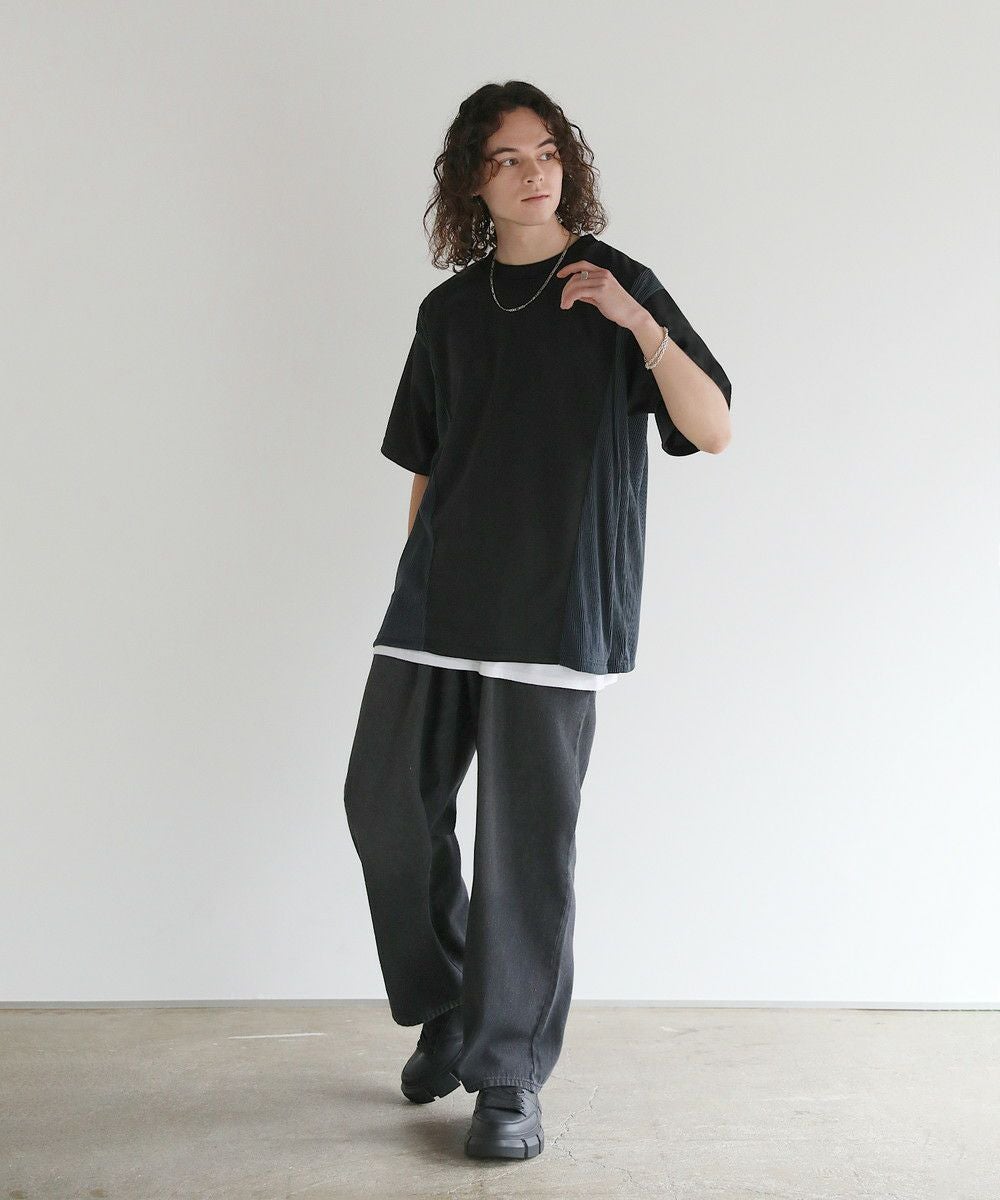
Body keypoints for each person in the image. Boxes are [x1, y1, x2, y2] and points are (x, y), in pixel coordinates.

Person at [343, 80, 732, 1162]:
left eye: (547, 151)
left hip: (556, 609)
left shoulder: (616, 287)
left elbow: (713, 428)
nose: (533, 173)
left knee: (523, 853)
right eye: (507, 157)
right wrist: (412, 582)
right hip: (438, 599)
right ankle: (447, 1007)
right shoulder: (449, 313)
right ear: (473, 180)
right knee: (383, 802)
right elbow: (427, 465)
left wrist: (636, 322)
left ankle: (508, 1077)